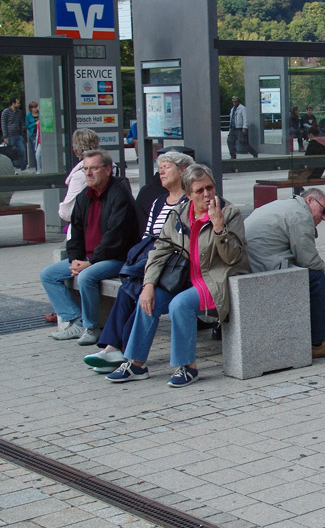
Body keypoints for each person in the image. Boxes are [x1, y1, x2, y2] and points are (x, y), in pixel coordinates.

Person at [106, 164, 250, 387]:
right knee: (148, 300)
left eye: (210, 187)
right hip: (185, 280)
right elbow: (159, 251)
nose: (207, 194)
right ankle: (135, 363)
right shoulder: (179, 215)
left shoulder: (229, 213)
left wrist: (219, 228)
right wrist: (149, 284)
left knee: (179, 305)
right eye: (199, 190)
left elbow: (234, 258)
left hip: (217, 280)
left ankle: (187, 367)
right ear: (188, 195)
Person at [81, 151, 194, 373]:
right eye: (159, 167)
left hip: (173, 266)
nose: (160, 171)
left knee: (137, 292)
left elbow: (179, 242)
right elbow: (147, 237)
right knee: (129, 290)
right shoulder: (159, 201)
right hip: (151, 261)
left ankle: (118, 350)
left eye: (167, 166)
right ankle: (115, 349)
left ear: (182, 171)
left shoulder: (188, 201)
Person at [40, 149, 139, 345]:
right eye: (85, 169)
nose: (88, 173)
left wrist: (90, 262)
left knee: (86, 277)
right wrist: (76, 258)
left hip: (116, 258)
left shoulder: (119, 195)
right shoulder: (84, 196)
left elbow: (115, 238)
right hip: (87, 258)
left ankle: (92, 327)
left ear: (108, 169)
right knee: (49, 275)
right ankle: (75, 320)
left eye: (94, 168)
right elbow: (75, 232)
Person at [244, 188, 325, 359]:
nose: (323, 217)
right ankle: (318, 342)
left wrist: (320, 265)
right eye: (323, 211)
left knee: (314, 272)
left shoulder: (289, 206)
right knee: (316, 278)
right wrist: (324, 270)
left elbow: (302, 254)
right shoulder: (301, 215)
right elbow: (308, 260)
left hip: (254, 262)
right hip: (260, 267)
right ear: (309, 200)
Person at [59, 129, 100, 230]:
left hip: (88, 227)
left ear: (75, 151)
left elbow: (67, 213)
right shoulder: (111, 167)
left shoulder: (80, 175)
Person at [2, 97, 27, 170]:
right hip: (10, 135)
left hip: (18, 135)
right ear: (13, 103)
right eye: (18, 103)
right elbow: (3, 124)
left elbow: (21, 122)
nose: (19, 104)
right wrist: (5, 136)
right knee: (12, 152)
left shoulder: (19, 112)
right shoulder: (5, 112)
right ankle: (13, 168)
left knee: (22, 151)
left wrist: (22, 130)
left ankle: (23, 167)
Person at [25, 101, 39, 171]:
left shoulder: (40, 113)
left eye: (36, 107)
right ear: (31, 108)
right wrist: (35, 123)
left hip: (40, 133)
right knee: (35, 150)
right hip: (33, 134)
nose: (36, 108)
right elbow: (27, 126)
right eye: (34, 107)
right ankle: (37, 167)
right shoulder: (28, 115)